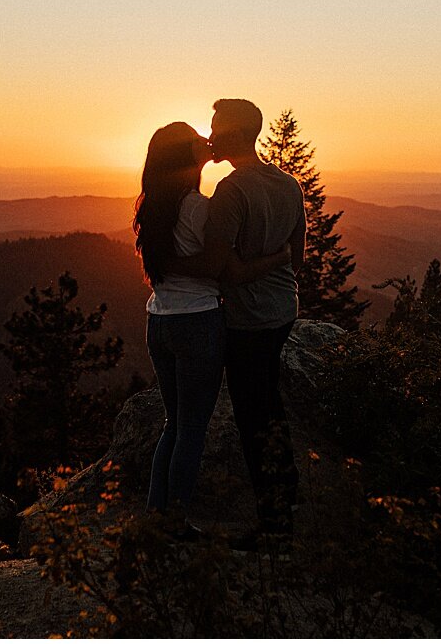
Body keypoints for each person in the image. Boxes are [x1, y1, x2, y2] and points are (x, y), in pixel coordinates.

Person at [133, 122, 290, 535]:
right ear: (185, 155)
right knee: (191, 430)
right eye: (196, 139)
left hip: (159, 321)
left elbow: (168, 264)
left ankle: (156, 516)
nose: (207, 140)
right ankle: (176, 522)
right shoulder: (199, 208)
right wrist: (279, 259)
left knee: (173, 424)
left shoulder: (151, 205)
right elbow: (226, 269)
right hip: (197, 323)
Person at [173, 99, 306, 554]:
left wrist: (166, 263)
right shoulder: (289, 185)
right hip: (282, 312)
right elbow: (298, 256)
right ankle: (285, 504)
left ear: (232, 134)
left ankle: (273, 527)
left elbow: (218, 267)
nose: (210, 133)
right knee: (269, 404)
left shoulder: (231, 191)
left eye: (214, 126)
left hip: (247, 321)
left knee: (255, 417)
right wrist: (277, 259)